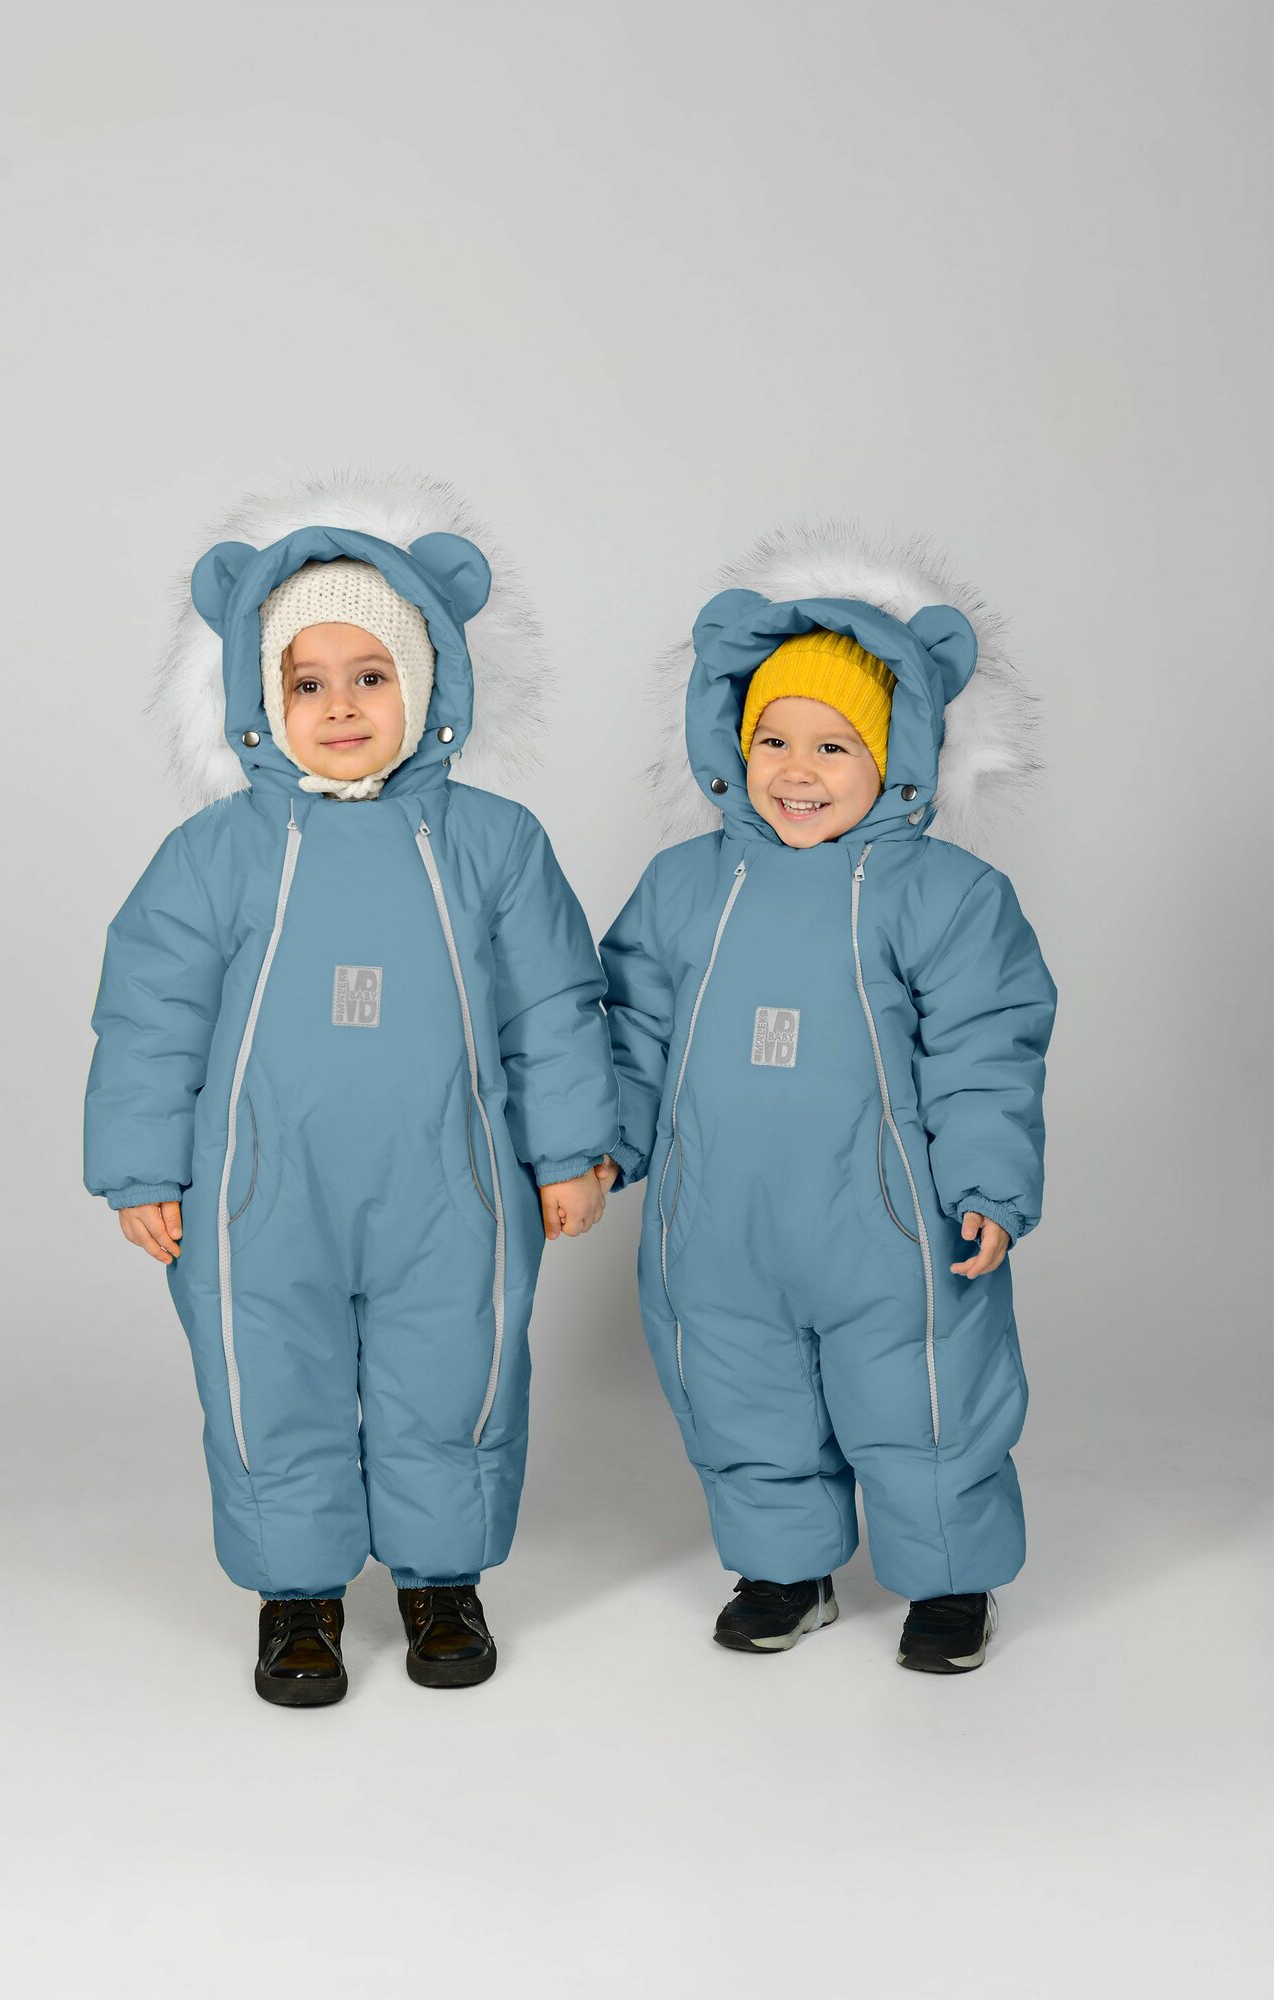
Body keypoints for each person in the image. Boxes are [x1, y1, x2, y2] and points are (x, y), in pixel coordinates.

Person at [84, 472, 620, 1705]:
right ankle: (298, 1592)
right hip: (260, 1186)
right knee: (271, 1375)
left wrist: (568, 1151)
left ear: (425, 683)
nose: (339, 706)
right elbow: (150, 1015)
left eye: (370, 675)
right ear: (257, 701)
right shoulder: (215, 853)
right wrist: (142, 1167)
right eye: (306, 682)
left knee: (454, 1367)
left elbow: (553, 1005)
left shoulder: (494, 843)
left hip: (453, 1181)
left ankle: (442, 1577)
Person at [598, 524, 1057, 1673]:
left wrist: (988, 1183)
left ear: (898, 755)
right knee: (740, 1393)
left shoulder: (943, 894)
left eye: (834, 745)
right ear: (732, 742)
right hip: (717, 1224)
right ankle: (783, 1567)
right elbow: (631, 1024)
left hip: (890, 1227)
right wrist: (601, 1141)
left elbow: (986, 1048)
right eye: (773, 739)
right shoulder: (686, 885)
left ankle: (948, 1579)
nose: (796, 771)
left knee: (922, 1399)